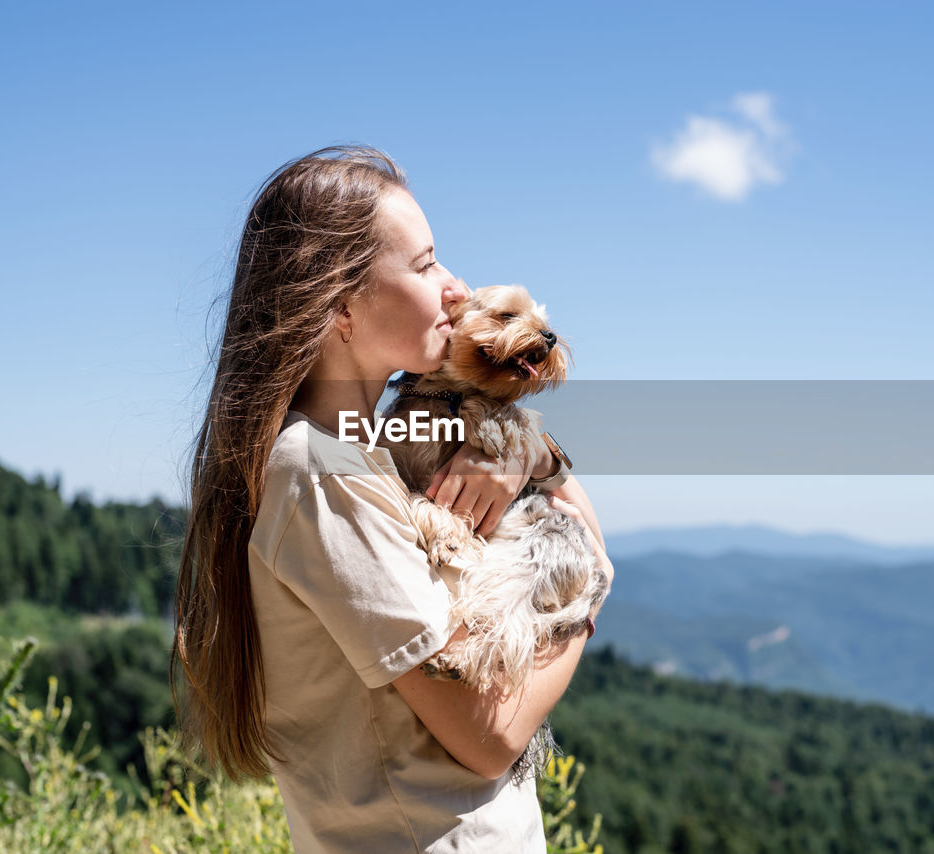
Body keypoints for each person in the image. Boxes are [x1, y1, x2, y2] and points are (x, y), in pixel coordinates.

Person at [171, 145, 613, 853]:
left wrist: (531, 454)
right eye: (426, 263)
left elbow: (568, 509)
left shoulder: (362, 446)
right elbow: (490, 735)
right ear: (342, 305)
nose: (455, 286)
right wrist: (588, 602)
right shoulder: (321, 471)